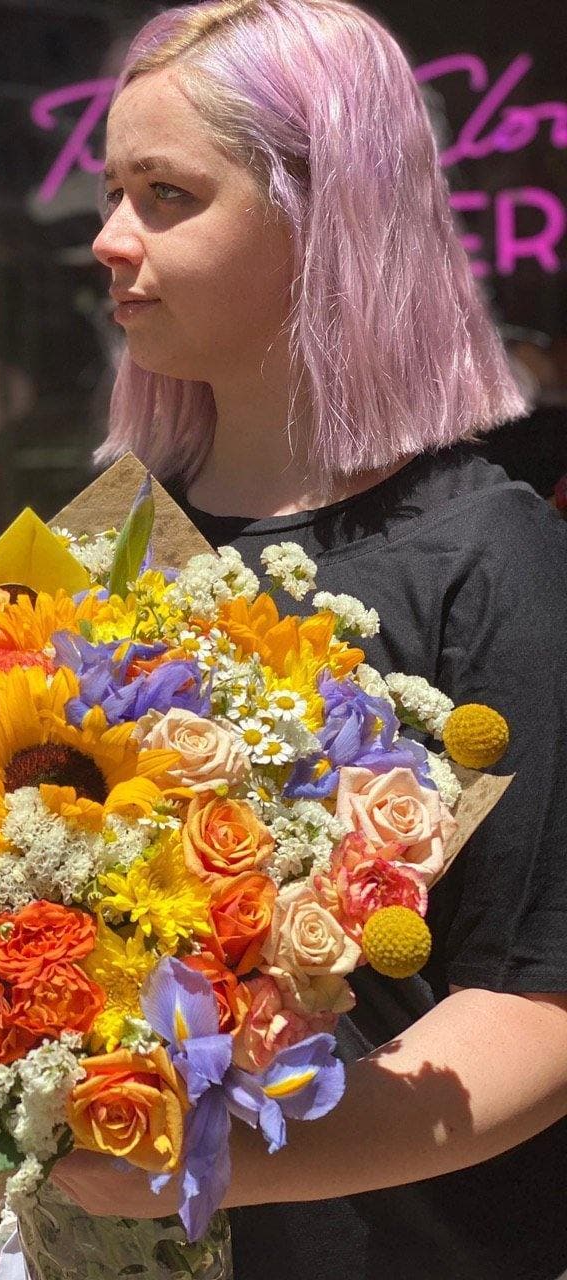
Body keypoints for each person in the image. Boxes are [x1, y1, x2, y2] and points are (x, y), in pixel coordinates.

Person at [50, 2, 567, 1277]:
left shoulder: (487, 557)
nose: (112, 240)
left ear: (324, 214)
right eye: (116, 192)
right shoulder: (112, 533)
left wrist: (209, 1156)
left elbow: (543, 1000)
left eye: (167, 194)